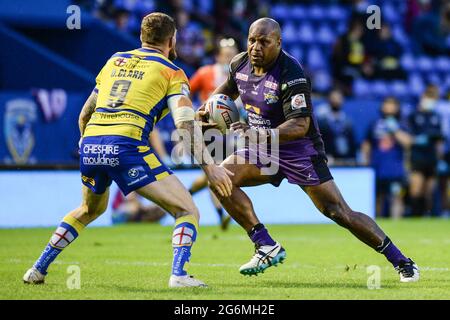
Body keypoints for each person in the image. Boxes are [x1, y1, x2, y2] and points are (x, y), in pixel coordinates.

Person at [22, 12, 233, 288]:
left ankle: (37, 269)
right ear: (172, 40)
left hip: (92, 143)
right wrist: (210, 167)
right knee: (187, 210)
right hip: (127, 145)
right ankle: (179, 275)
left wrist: (87, 145)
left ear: (142, 37)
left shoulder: (114, 61)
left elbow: (85, 113)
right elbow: (183, 124)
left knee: (88, 209)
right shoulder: (173, 72)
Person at [200, 18, 419, 282]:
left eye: (263, 42)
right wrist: (207, 110)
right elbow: (223, 94)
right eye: (252, 40)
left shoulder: (291, 72)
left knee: (338, 212)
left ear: (278, 43)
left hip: (298, 150)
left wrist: (259, 134)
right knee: (221, 179)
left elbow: (300, 125)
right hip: (261, 147)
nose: (255, 47)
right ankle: (264, 244)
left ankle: (401, 261)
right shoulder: (240, 63)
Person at [188, 38, 240, 229]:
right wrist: (193, 113)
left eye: (232, 54)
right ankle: (222, 214)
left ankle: (187, 192)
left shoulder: (242, 75)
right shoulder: (205, 73)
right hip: (210, 130)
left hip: (235, 130)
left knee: (221, 170)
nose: (229, 58)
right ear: (218, 56)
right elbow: (186, 92)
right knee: (217, 169)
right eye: (226, 54)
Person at [361, 97, 413, 218]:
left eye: (392, 104)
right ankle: (377, 227)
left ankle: (397, 225)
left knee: (397, 197)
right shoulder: (374, 123)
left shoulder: (402, 124)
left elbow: (408, 143)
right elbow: (366, 144)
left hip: (395, 168)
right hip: (377, 167)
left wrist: (395, 130)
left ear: (397, 108)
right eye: (387, 104)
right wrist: (365, 161)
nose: (389, 107)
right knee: (378, 197)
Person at [408, 85, 444, 216]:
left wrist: (440, 159)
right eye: (429, 97)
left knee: (429, 191)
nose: (431, 100)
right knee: (416, 190)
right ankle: (414, 216)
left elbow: (439, 141)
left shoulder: (436, 116)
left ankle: (426, 217)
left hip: (431, 157)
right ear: (423, 97)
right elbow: (407, 137)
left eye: (433, 98)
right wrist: (416, 140)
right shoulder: (413, 115)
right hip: (417, 156)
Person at [317, 89, 357, 166]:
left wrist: (353, 157)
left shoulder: (347, 121)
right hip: (329, 158)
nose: (336, 101)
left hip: (346, 158)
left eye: (339, 98)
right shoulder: (322, 121)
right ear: (328, 100)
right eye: (333, 98)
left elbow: (352, 141)